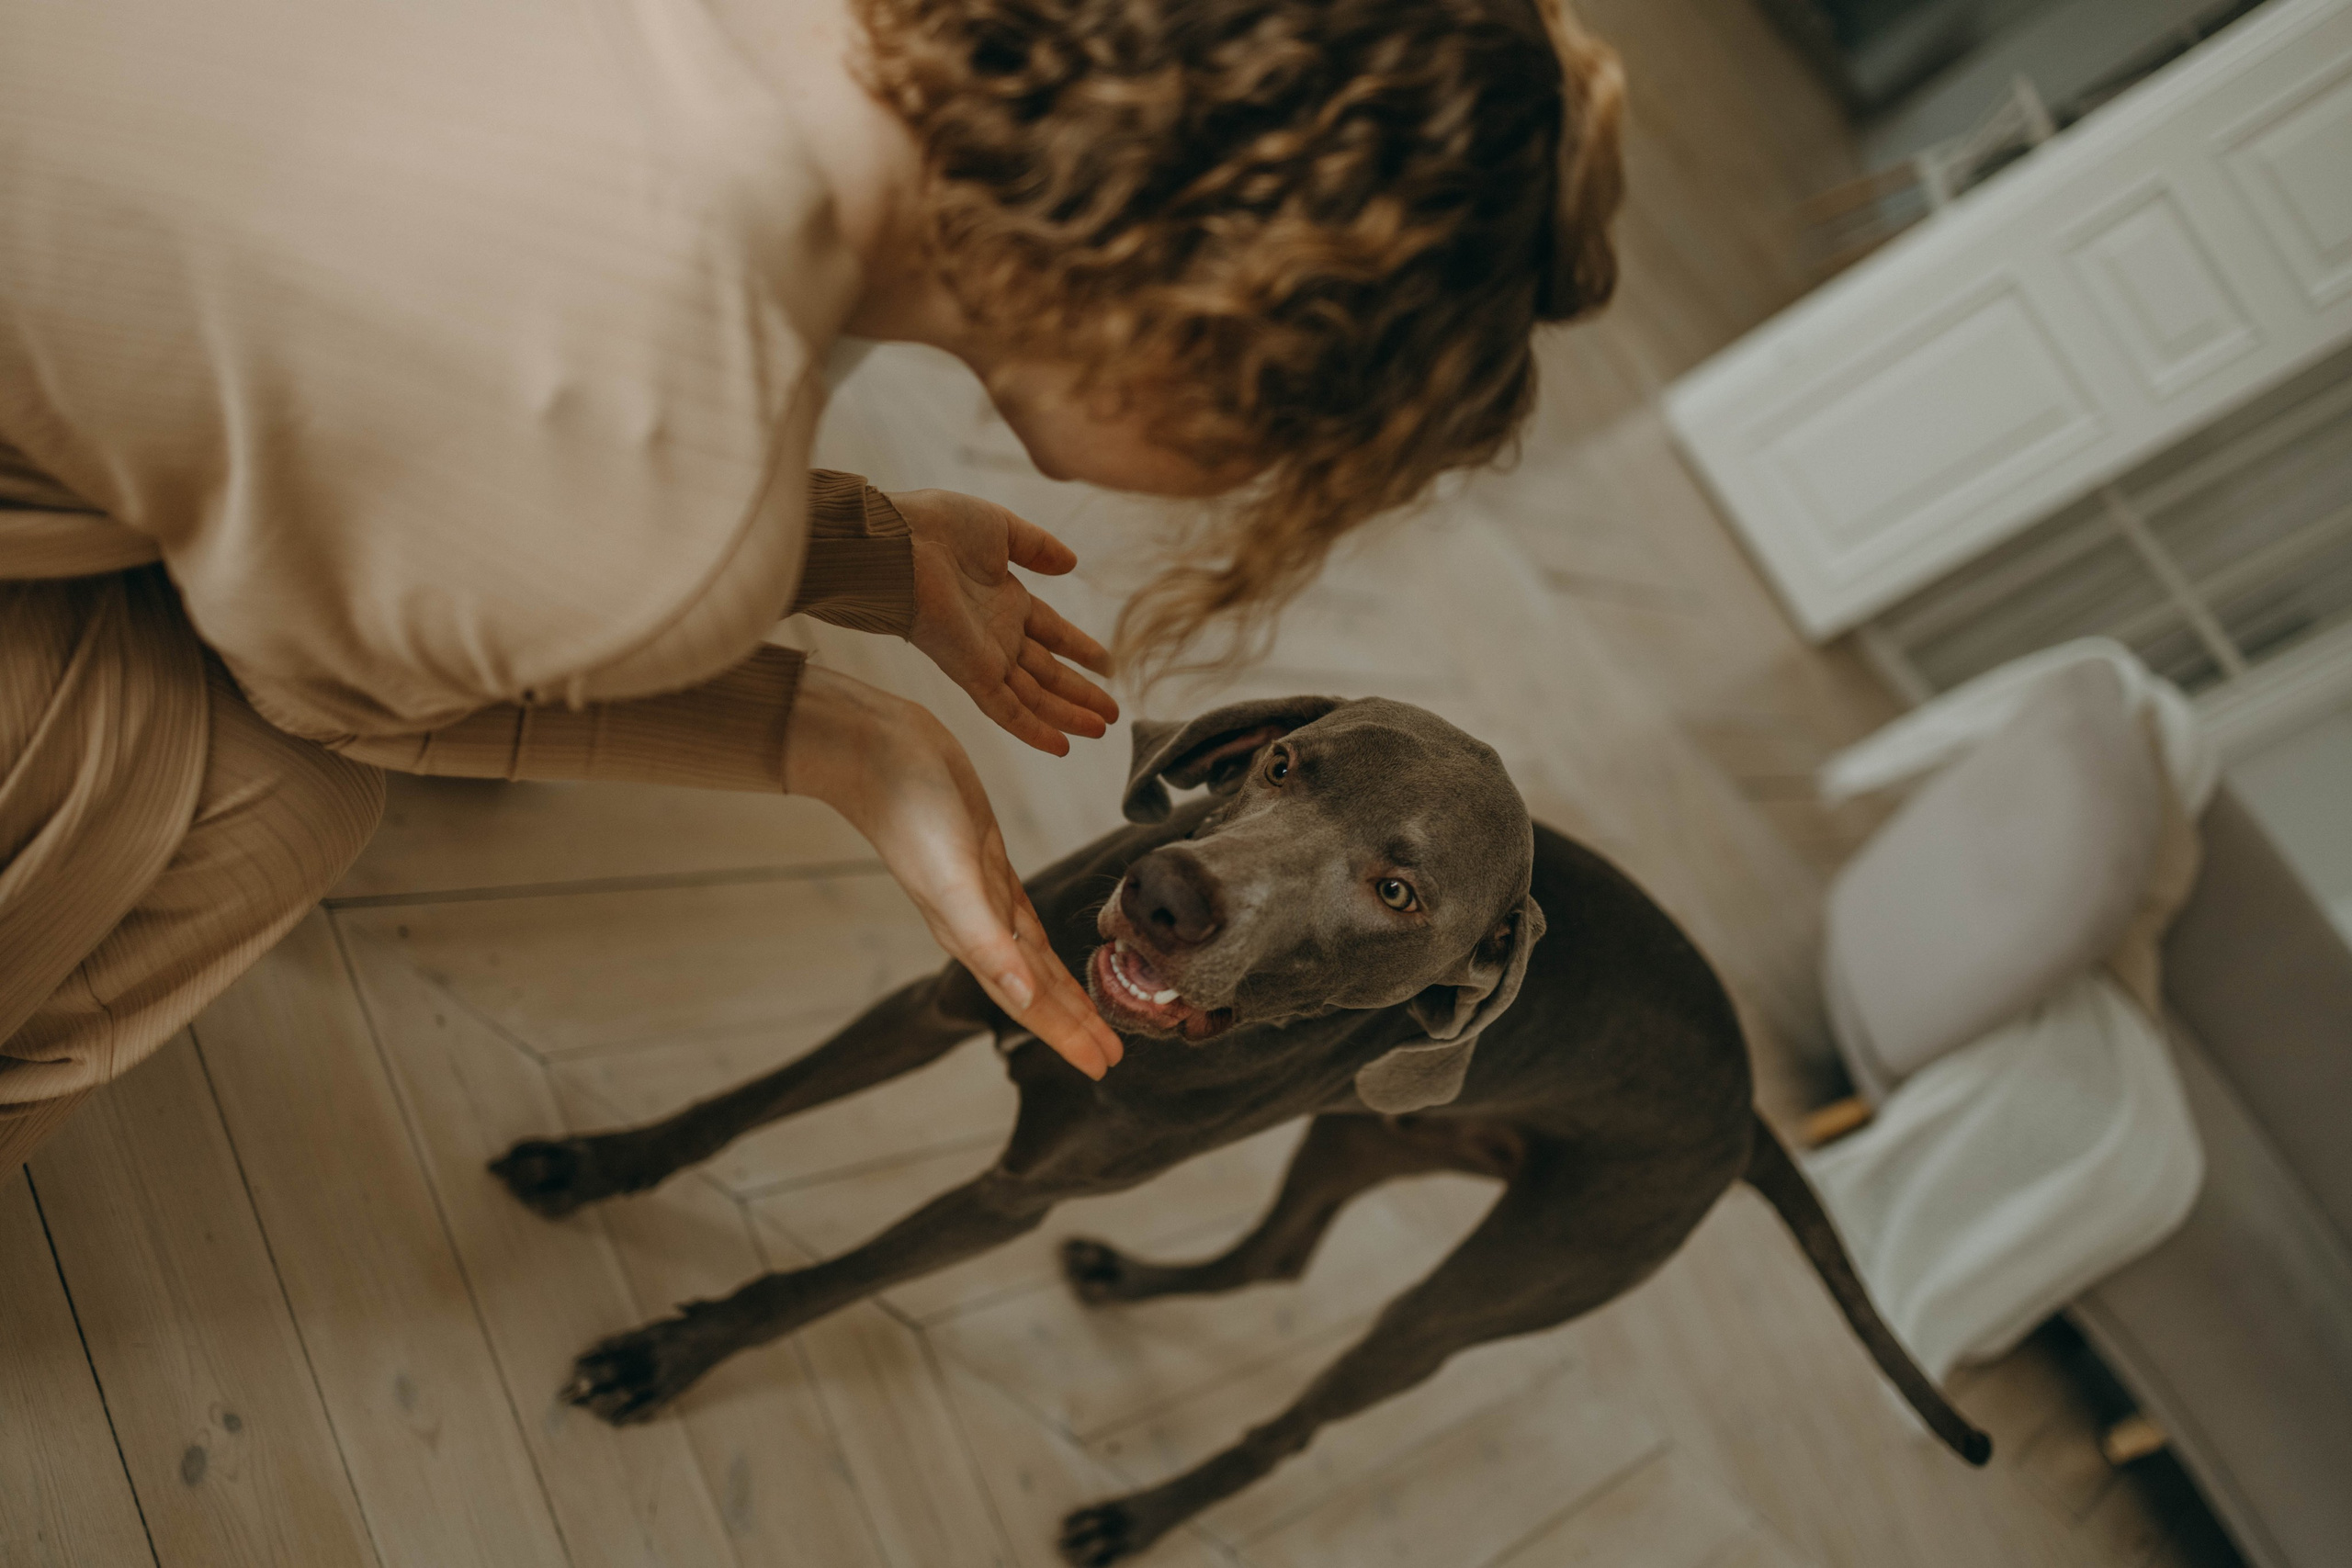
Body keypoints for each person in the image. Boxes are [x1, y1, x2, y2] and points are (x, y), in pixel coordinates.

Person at [0, 0, 1624, 1167]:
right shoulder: (652, 465)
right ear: (1222, 331)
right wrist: (836, 736)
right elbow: (327, 691)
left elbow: (425, 408)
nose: (1240, 496)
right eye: (1290, 455)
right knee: (277, 800)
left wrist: (857, 551)